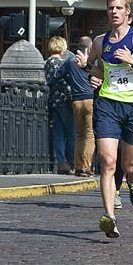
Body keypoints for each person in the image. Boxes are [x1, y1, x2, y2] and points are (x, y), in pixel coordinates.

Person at [74, 0, 133, 238]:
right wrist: (89, 72)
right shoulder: (100, 42)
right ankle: (109, 217)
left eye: (119, 8)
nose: (114, 12)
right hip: (107, 105)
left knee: (129, 164)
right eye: (110, 8)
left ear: (128, 13)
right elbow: (95, 67)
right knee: (108, 162)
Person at [54, 35, 95, 176]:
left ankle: (77, 166)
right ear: (90, 48)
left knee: (79, 134)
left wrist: (69, 79)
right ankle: (86, 166)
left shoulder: (70, 61)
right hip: (90, 99)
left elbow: (56, 76)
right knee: (89, 135)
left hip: (76, 100)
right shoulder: (91, 62)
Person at [44, 36, 75, 175]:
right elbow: (63, 81)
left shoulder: (47, 62)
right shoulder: (61, 63)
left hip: (53, 100)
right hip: (64, 100)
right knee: (70, 133)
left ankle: (60, 161)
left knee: (58, 133)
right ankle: (69, 161)